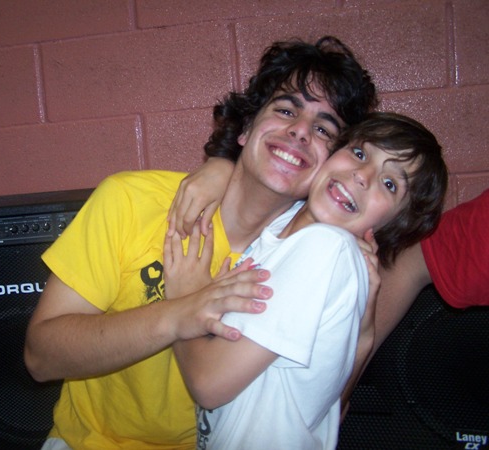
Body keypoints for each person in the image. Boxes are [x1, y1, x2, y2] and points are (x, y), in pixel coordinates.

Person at [23, 36, 378, 449]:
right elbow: (40, 357)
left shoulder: (308, 261)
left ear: (331, 164)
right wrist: (182, 313)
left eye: (323, 129)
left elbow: (318, 414)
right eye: (285, 110)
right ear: (246, 127)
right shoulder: (132, 200)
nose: (300, 131)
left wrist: (362, 329)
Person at [165, 112, 448, 449]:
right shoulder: (281, 228)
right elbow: (330, 410)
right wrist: (219, 165)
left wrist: (182, 301)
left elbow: (208, 384)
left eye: (390, 184)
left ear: (394, 223)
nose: (362, 176)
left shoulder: (327, 249)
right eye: (359, 153)